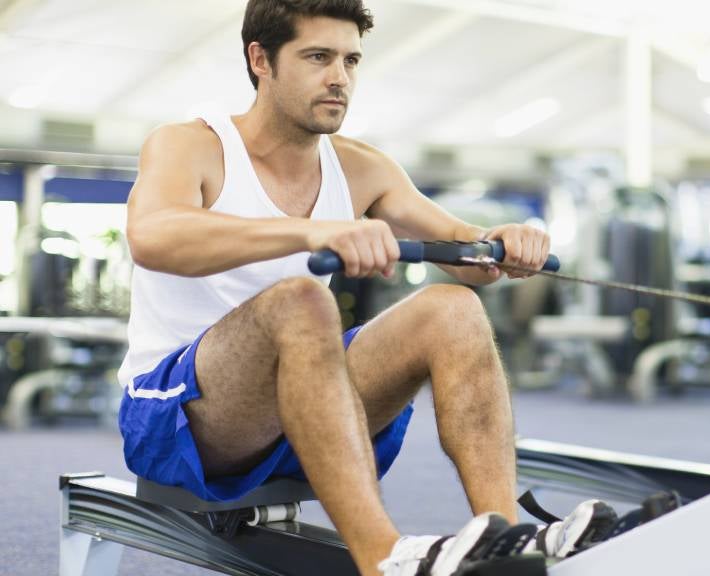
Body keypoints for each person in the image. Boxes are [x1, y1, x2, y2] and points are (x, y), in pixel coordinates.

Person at [117, 1, 614, 574]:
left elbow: (467, 254)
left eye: (350, 60)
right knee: (301, 300)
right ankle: (383, 559)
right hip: (178, 419)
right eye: (317, 57)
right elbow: (153, 237)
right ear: (261, 60)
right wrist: (312, 231)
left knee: (451, 309)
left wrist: (503, 242)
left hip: (297, 413)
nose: (339, 78)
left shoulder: (361, 167)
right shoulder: (191, 144)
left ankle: (506, 535)